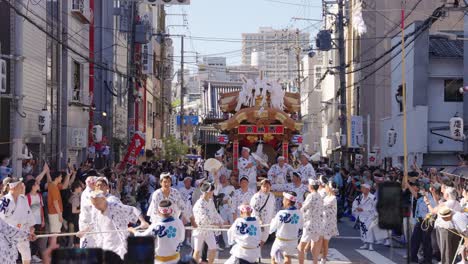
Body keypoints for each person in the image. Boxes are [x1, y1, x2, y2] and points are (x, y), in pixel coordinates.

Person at [85, 190, 147, 259]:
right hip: (105, 245)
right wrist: (84, 231)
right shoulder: (96, 211)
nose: (96, 206)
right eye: (94, 204)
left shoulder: (115, 207)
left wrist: (143, 221)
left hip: (119, 246)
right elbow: (93, 224)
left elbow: (133, 210)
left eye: (97, 203)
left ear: (103, 199)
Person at [0, 178, 36, 264]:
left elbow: (28, 213)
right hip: (9, 235)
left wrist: (31, 227)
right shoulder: (5, 201)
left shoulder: (23, 199)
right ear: (13, 187)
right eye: (20, 185)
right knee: (9, 257)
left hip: (23, 231)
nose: (23, 186)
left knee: (26, 255)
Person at [192, 182, 225, 264]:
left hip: (209, 230)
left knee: (213, 249)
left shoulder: (211, 201)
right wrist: (215, 224)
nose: (212, 193)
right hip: (200, 230)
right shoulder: (199, 204)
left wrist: (221, 221)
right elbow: (203, 219)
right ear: (207, 192)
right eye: (211, 191)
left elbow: (215, 213)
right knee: (197, 251)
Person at [269, 191, 303, 264]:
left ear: (288, 201)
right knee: (287, 257)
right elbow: (301, 228)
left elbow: (272, 228)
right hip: (293, 241)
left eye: (284, 199)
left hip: (281, 242)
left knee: (274, 259)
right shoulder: (299, 213)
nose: (283, 201)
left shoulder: (281, 213)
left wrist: (272, 221)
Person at [298, 179, 323, 264]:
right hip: (318, 224)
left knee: (301, 247)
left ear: (311, 186)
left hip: (309, 224)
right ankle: (315, 262)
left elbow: (304, 208)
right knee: (314, 245)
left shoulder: (310, 195)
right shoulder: (319, 196)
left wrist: (300, 208)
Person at [47, 170, 71, 253]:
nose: (61, 178)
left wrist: (68, 175)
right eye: (60, 177)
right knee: (55, 234)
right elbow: (55, 202)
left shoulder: (53, 185)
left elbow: (64, 186)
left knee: (54, 233)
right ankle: (51, 251)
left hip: (54, 213)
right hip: (55, 213)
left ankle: (52, 250)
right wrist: (60, 215)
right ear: (57, 178)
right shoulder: (53, 187)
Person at [25, 179, 46, 262]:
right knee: (31, 239)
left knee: (36, 238)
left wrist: (43, 220)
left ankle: (33, 255)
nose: (38, 185)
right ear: (33, 186)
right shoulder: (27, 197)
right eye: (37, 184)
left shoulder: (39, 195)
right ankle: (31, 256)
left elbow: (41, 208)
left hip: (38, 220)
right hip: (30, 222)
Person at [250, 178, 275, 246]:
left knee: (264, 239)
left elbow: (273, 208)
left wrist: (273, 218)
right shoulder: (256, 196)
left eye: (267, 186)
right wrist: (259, 221)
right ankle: (256, 254)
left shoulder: (272, 196)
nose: (266, 188)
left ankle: (258, 253)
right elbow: (254, 210)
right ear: (261, 187)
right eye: (264, 186)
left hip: (268, 221)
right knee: (257, 240)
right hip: (259, 222)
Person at [352, 183, 377, 251]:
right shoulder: (360, 197)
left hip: (370, 216)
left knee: (369, 230)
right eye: (361, 188)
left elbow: (375, 207)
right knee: (363, 230)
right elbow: (354, 203)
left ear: (368, 189)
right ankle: (365, 244)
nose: (362, 189)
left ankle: (371, 245)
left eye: (363, 188)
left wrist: (374, 214)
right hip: (362, 216)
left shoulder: (372, 197)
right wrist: (357, 208)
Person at [319, 182, 340, 264]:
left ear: (330, 188)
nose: (325, 188)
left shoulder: (333, 198)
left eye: (327, 186)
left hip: (329, 223)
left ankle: (323, 259)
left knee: (325, 242)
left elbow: (322, 206)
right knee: (321, 241)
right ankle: (321, 257)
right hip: (323, 221)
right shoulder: (327, 196)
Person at [79, 175, 97, 248]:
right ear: (90, 183)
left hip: (92, 223)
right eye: (94, 183)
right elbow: (91, 207)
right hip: (87, 223)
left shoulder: (93, 192)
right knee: (86, 243)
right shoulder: (87, 194)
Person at [218, 173, 235, 249]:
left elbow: (233, 196)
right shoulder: (218, 188)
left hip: (231, 208)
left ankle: (233, 242)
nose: (223, 179)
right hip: (222, 209)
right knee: (224, 225)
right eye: (221, 178)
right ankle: (226, 243)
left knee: (232, 224)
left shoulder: (231, 187)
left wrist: (228, 200)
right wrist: (222, 202)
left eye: (224, 178)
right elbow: (216, 200)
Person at [178, 177, 195, 247]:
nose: (189, 183)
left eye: (190, 182)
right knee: (182, 225)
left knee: (190, 225)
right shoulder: (180, 190)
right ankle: (181, 240)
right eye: (187, 182)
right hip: (182, 210)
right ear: (184, 183)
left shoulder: (193, 189)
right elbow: (178, 200)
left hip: (191, 210)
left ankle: (188, 240)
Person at [68, 181, 82, 248]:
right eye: (80, 187)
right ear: (76, 188)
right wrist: (82, 210)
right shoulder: (75, 197)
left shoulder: (72, 195)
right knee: (76, 238)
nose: (81, 188)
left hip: (72, 220)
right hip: (74, 220)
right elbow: (74, 211)